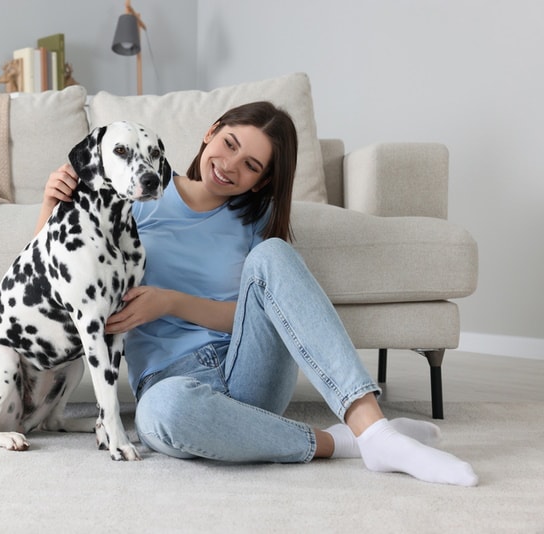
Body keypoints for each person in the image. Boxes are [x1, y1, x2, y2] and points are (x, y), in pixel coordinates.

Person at [37, 102, 478, 486]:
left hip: (247, 369)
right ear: (210, 133)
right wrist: (49, 205)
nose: (230, 165)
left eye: (251, 165)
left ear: (261, 182)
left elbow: (267, 315)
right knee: (162, 417)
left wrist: (169, 302)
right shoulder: (136, 189)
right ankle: (342, 442)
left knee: (273, 255)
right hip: (168, 381)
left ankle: (371, 427)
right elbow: (52, 280)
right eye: (229, 144)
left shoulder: (254, 218)